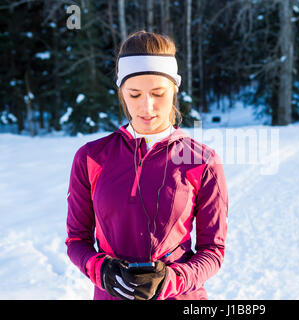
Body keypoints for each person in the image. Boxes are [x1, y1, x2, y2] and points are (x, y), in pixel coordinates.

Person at [65, 31, 228, 300]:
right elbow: (76, 241)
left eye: (158, 93)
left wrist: (172, 280)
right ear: (122, 92)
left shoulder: (202, 161)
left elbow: (213, 250)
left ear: (174, 89)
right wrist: (102, 270)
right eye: (135, 93)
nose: (147, 106)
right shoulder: (91, 157)